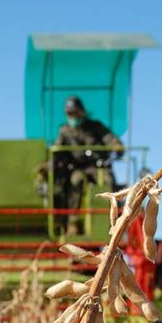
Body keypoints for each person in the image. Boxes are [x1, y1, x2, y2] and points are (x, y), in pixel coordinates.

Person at [55, 96, 124, 234]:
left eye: (75, 113)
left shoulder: (95, 127)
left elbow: (110, 138)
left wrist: (116, 146)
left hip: (98, 167)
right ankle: (73, 223)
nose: (73, 116)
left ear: (82, 112)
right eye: (70, 114)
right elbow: (57, 149)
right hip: (78, 168)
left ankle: (116, 219)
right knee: (76, 181)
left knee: (108, 180)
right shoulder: (64, 131)